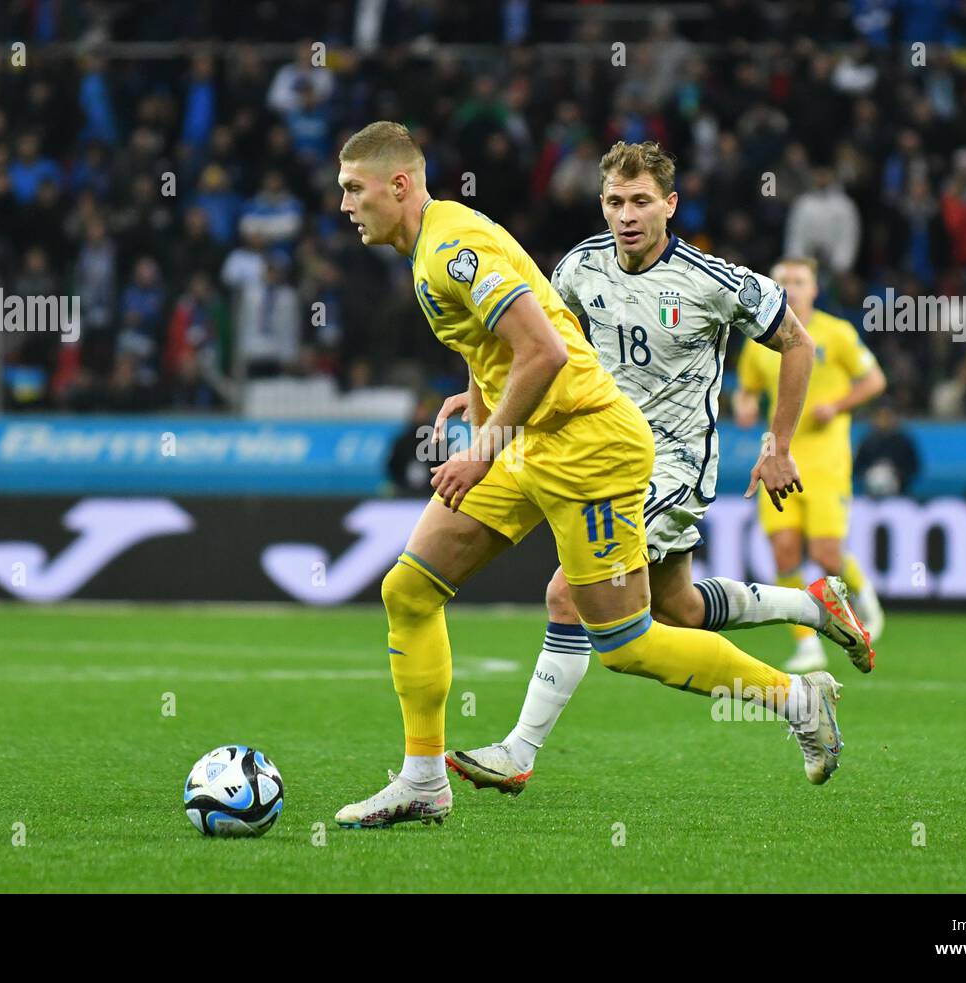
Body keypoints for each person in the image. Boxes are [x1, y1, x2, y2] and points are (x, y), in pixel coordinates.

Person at [333, 123, 845, 830]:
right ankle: (424, 779)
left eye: (353, 189)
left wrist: (483, 447)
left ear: (398, 186)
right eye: (614, 201)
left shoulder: (452, 248)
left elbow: (541, 353)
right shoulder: (440, 248)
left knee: (629, 642)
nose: (344, 204)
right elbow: (499, 343)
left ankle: (797, 698)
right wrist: (482, 411)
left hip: (592, 447)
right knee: (410, 588)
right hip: (533, 441)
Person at [447, 141, 874, 796]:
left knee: (569, 590)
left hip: (672, 463)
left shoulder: (713, 280)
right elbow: (518, 337)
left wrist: (778, 443)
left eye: (641, 201)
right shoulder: (579, 268)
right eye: (615, 201)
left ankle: (518, 750)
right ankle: (812, 607)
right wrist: (485, 401)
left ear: (670, 205)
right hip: (600, 453)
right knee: (678, 609)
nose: (627, 214)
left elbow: (798, 340)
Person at [735, 257, 887, 670]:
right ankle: (808, 644)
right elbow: (746, 390)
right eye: (783, 280)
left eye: (800, 281)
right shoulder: (759, 341)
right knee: (784, 552)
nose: (792, 287)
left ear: (815, 289)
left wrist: (836, 405)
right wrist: (744, 404)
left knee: (826, 554)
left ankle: (866, 598)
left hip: (827, 463)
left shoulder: (836, 334)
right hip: (777, 458)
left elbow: (875, 380)